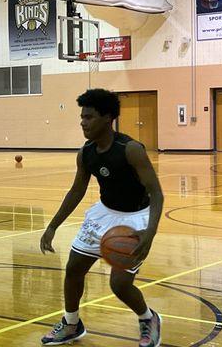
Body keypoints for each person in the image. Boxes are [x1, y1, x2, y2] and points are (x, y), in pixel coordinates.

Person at [40, 88, 163, 347]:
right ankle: (72, 323)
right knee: (73, 268)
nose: (83, 122)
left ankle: (148, 318)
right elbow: (77, 190)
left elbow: (157, 193)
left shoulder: (131, 149)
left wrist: (149, 234)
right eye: (82, 117)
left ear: (107, 118)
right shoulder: (86, 153)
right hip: (105, 213)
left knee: (119, 284)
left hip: (135, 217)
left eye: (89, 117)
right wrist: (52, 226)